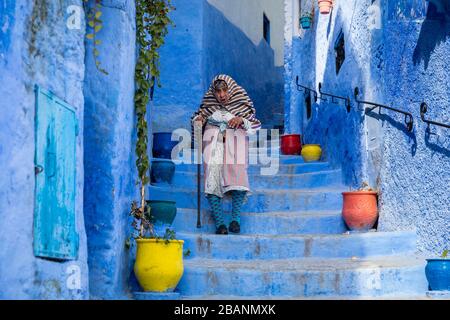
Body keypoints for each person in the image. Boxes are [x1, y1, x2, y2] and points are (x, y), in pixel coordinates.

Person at [191, 74, 261, 235]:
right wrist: (199, 121)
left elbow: (254, 123)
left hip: (235, 145)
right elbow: (196, 125)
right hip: (213, 146)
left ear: (231, 90)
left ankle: (235, 219)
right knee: (212, 180)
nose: (221, 95)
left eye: (224, 91)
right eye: (217, 92)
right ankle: (220, 224)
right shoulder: (208, 107)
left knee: (238, 177)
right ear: (213, 93)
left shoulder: (242, 105)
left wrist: (241, 120)